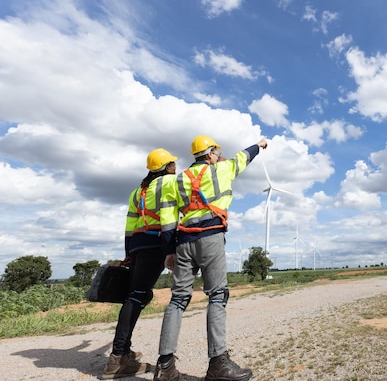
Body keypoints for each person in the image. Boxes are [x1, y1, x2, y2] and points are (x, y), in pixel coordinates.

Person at [154, 135, 268, 381]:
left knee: (178, 300)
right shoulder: (222, 170)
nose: (219, 154)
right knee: (217, 295)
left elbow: (166, 218)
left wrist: (169, 251)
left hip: (183, 243)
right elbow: (242, 158)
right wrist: (258, 146)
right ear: (209, 154)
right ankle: (218, 363)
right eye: (216, 151)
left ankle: (164, 366)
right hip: (211, 238)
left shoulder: (177, 180)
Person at [102, 148, 179, 379]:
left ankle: (123, 352)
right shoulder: (168, 182)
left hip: (137, 244)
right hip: (157, 242)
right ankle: (116, 359)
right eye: (173, 164)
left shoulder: (138, 191)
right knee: (136, 296)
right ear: (167, 167)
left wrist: (129, 252)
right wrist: (170, 249)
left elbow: (129, 225)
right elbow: (168, 216)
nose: (176, 167)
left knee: (137, 296)